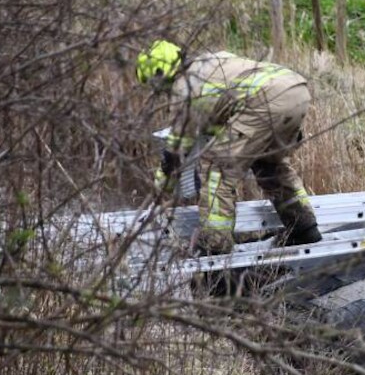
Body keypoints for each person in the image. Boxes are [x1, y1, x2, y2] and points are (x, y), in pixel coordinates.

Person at [136, 40, 321, 255]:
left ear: (160, 74)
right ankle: (303, 227)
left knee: (218, 168)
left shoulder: (183, 88)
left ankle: (215, 246)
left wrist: (162, 189)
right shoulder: (210, 60)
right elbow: (227, 108)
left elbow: (176, 152)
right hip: (295, 90)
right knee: (269, 164)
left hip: (264, 102)